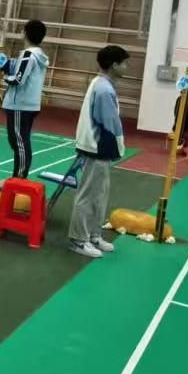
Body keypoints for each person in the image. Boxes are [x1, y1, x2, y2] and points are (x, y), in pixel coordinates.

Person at [70, 44, 130, 258]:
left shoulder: (103, 84)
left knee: (100, 195)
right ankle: (78, 240)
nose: (126, 67)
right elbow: (109, 125)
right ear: (114, 65)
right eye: (124, 63)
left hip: (100, 148)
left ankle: (94, 235)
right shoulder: (104, 89)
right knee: (87, 196)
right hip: (96, 147)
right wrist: (117, 148)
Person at [0, 19, 49, 187]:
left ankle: (18, 179)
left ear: (25, 33)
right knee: (18, 141)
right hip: (26, 104)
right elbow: (20, 70)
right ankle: (18, 177)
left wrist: (4, 76)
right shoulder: (35, 55)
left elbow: (18, 79)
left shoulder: (29, 55)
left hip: (20, 105)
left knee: (20, 142)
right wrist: (6, 66)